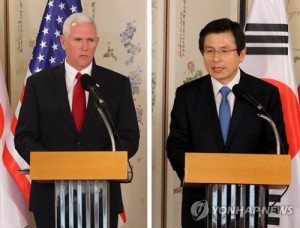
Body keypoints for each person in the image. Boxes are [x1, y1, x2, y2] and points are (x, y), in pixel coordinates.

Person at [14, 13, 140, 228]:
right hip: (50, 195)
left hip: (102, 196)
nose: (84, 47)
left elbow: (128, 137)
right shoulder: (38, 84)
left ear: (97, 42)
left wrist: (98, 164)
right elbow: (24, 137)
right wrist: (56, 165)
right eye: (78, 40)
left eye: (90, 40)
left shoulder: (117, 84)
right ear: (63, 42)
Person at [166, 18, 288, 227]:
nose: (216, 59)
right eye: (209, 51)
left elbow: (277, 146)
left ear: (241, 54)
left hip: (249, 205)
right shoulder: (187, 95)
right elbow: (176, 146)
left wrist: (244, 173)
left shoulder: (264, 94)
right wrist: (200, 173)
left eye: (224, 51)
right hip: (200, 204)